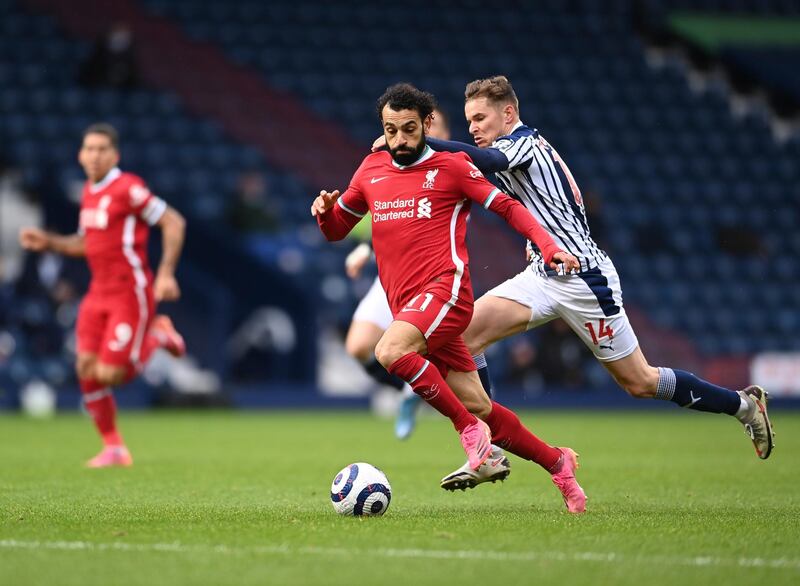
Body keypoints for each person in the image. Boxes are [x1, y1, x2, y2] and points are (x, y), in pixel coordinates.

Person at [409, 75, 775, 487]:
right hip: (542, 274)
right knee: (462, 337)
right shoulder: (505, 147)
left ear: (508, 113)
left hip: (585, 281)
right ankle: (488, 446)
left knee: (639, 381)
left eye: (480, 118)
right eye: (469, 120)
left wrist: (421, 144)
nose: (473, 127)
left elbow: (486, 163)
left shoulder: (525, 143)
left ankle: (743, 405)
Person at [313, 83, 587, 513]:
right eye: (391, 130)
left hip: (447, 292)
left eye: (408, 129)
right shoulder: (370, 170)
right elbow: (335, 231)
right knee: (481, 404)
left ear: (426, 125)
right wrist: (325, 212)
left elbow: (509, 208)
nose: (400, 140)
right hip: (408, 304)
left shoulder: (452, 166)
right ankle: (559, 465)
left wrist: (549, 246)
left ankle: (469, 435)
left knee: (389, 349)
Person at [19, 123, 187, 468]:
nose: (94, 155)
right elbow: (86, 243)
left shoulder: (129, 188)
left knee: (112, 374)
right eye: (89, 149)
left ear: (115, 154)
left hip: (130, 289)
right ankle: (113, 447)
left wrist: (166, 273)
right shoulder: (88, 192)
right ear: (80, 155)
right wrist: (49, 242)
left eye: (101, 149)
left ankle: (157, 334)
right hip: (98, 291)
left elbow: (174, 222)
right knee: (84, 366)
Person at [344, 107, 452, 440]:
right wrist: (365, 248)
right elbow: (387, 216)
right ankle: (413, 391)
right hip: (391, 276)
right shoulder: (396, 165)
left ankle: (470, 424)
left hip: (434, 280)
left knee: (449, 362)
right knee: (359, 345)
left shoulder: (453, 167)